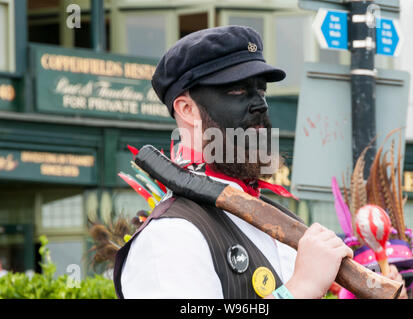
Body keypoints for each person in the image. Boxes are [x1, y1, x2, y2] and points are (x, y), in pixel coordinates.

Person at [113, 25, 353, 299]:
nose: (260, 105)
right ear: (187, 109)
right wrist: (299, 289)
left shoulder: (279, 221)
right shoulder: (170, 236)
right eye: (238, 91)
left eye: (261, 91)